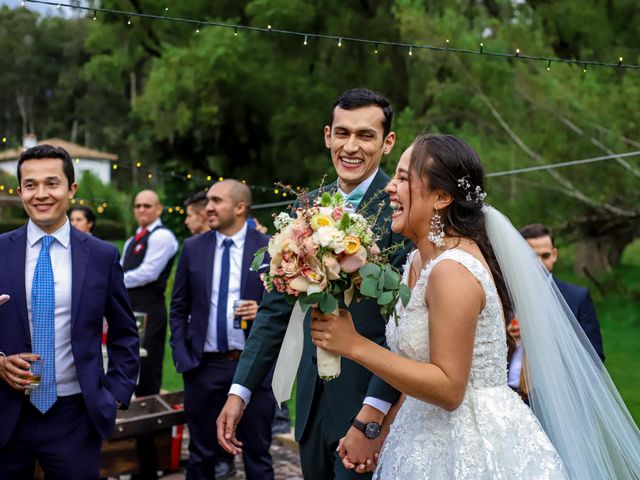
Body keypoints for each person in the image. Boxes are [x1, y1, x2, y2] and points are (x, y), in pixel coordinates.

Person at [310, 134, 640, 478]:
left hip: (472, 447)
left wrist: (354, 346)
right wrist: (381, 430)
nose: (390, 187)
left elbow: (450, 388)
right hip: (419, 438)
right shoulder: (414, 263)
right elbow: (418, 366)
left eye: (404, 178)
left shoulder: (452, 270)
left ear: (441, 197)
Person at [217, 88, 410, 480]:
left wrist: (375, 411)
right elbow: (274, 310)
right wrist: (241, 391)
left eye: (365, 135)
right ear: (328, 135)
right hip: (310, 404)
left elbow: (404, 326)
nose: (351, 146)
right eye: (342, 133)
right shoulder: (304, 207)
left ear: (387, 143)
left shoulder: (399, 210)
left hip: (369, 406)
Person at [0, 144, 140, 479]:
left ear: (71, 189)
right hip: (5, 414)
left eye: (52, 183)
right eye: (31, 185)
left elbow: (124, 332)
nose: (41, 194)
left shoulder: (102, 255)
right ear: (20, 191)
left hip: (74, 417)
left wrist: (116, 395)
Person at [171, 179, 276, 480]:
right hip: (203, 367)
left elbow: (285, 307)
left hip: (252, 365)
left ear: (240, 207)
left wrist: (261, 310)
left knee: (257, 454)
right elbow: (178, 306)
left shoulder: (268, 248)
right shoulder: (193, 247)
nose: (209, 207)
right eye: (208, 202)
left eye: (217, 201)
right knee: (201, 456)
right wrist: (182, 355)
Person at [122, 189, 178, 397]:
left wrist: (116, 280)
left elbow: (149, 273)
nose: (142, 210)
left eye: (147, 206)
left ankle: (147, 417)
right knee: (126, 362)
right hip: (129, 309)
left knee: (147, 366)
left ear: (159, 209)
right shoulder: (131, 240)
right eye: (138, 206)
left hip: (149, 312)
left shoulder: (162, 236)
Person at [519, 223, 604, 360]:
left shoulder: (578, 298)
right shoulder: (502, 294)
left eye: (545, 256)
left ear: (554, 255)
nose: (540, 264)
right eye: (532, 257)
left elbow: (595, 356)